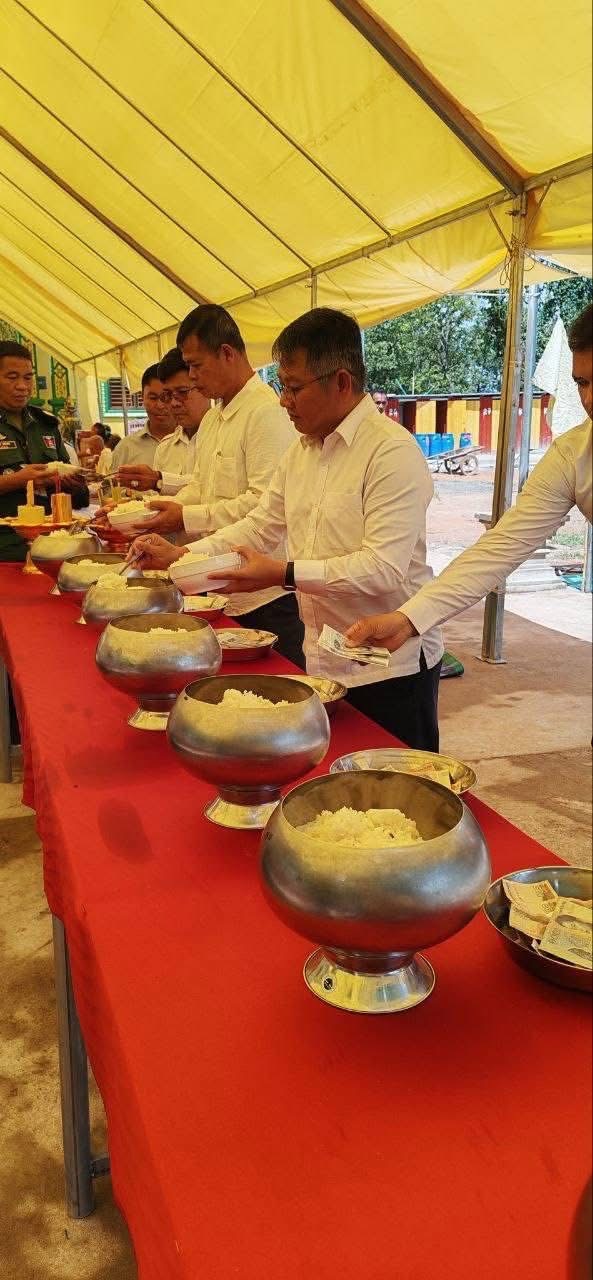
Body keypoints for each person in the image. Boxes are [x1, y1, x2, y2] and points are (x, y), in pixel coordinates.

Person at [130, 308, 443, 750]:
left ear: (341, 382)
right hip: (323, 656)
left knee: (392, 781)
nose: (284, 401)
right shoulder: (302, 451)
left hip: (389, 667)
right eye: (282, 387)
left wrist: (282, 573)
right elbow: (261, 524)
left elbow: (381, 568)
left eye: (294, 388)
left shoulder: (390, 452)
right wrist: (187, 556)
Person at [346, 302, 593, 654]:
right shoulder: (573, 455)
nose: (589, 399)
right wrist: (409, 618)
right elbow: (500, 547)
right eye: (582, 383)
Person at [129, 304, 304, 669]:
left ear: (226, 353)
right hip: (217, 584)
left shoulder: (265, 412)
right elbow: (201, 484)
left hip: (265, 596)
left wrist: (185, 520)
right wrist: (156, 512)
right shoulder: (214, 417)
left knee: (269, 687)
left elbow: (264, 507)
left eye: (195, 365)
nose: (192, 378)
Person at [0, 341, 89, 562]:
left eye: (28, 377)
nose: (22, 386)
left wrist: (68, 481)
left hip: (52, 545)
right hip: (4, 549)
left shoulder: (46, 424)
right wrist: (18, 480)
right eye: (12, 377)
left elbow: (79, 495)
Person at [115, 348, 210, 495]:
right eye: (168, 395)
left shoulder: (224, 437)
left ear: (205, 387)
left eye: (182, 392)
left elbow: (211, 489)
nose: (173, 403)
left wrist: (158, 480)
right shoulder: (165, 448)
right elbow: (157, 501)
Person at [108, 364, 175, 471]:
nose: (160, 405)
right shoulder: (126, 447)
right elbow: (114, 481)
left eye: (166, 397)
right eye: (153, 398)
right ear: (142, 398)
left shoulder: (193, 442)